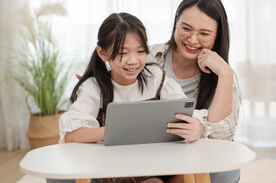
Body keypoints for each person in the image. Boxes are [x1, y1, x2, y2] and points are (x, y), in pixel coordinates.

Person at [48, 12, 196, 183]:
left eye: (141, 51)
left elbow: (185, 113)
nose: (133, 61)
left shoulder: (155, 78)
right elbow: (72, 136)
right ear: (103, 54)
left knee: (189, 175)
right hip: (118, 167)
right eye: (122, 53)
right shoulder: (93, 87)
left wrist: (192, 127)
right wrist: (122, 130)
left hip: (158, 158)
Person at [147, 0, 241, 183]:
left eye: (204, 33)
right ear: (175, 24)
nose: (192, 40)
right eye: (186, 28)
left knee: (223, 172)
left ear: (217, 36)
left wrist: (225, 74)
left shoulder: (223, 74)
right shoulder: (149, 57)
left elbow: (225, 134)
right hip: (148, 154)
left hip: (191, 158)